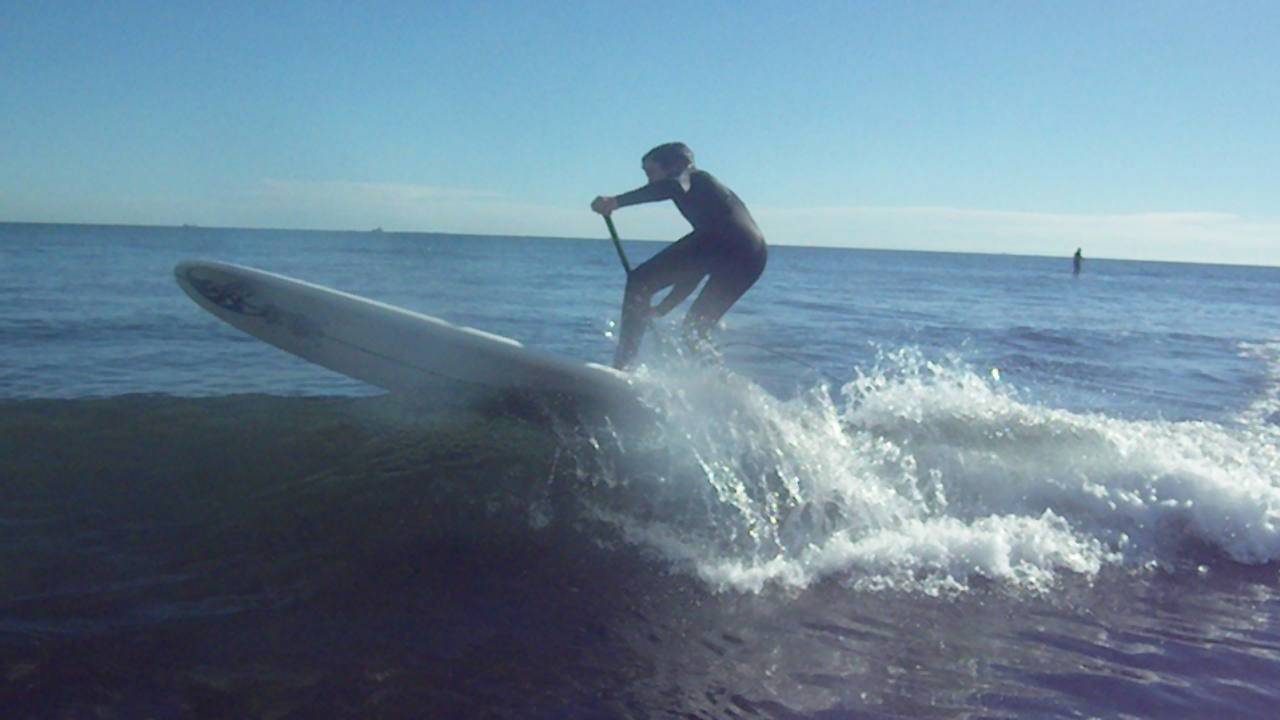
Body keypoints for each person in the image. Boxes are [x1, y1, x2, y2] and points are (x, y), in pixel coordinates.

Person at [591, 143, 767, 369]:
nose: (649, 181)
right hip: (753, 257)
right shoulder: (709, 201)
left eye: (651, 173)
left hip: (726, 243)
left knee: (639, 282)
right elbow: (693, 271)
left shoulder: (690, 175)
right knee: (694, 329)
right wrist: (665, 307)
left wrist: (615, 202)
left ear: (675, 165)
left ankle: (622, 366)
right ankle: (717, 383)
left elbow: (673, 186)